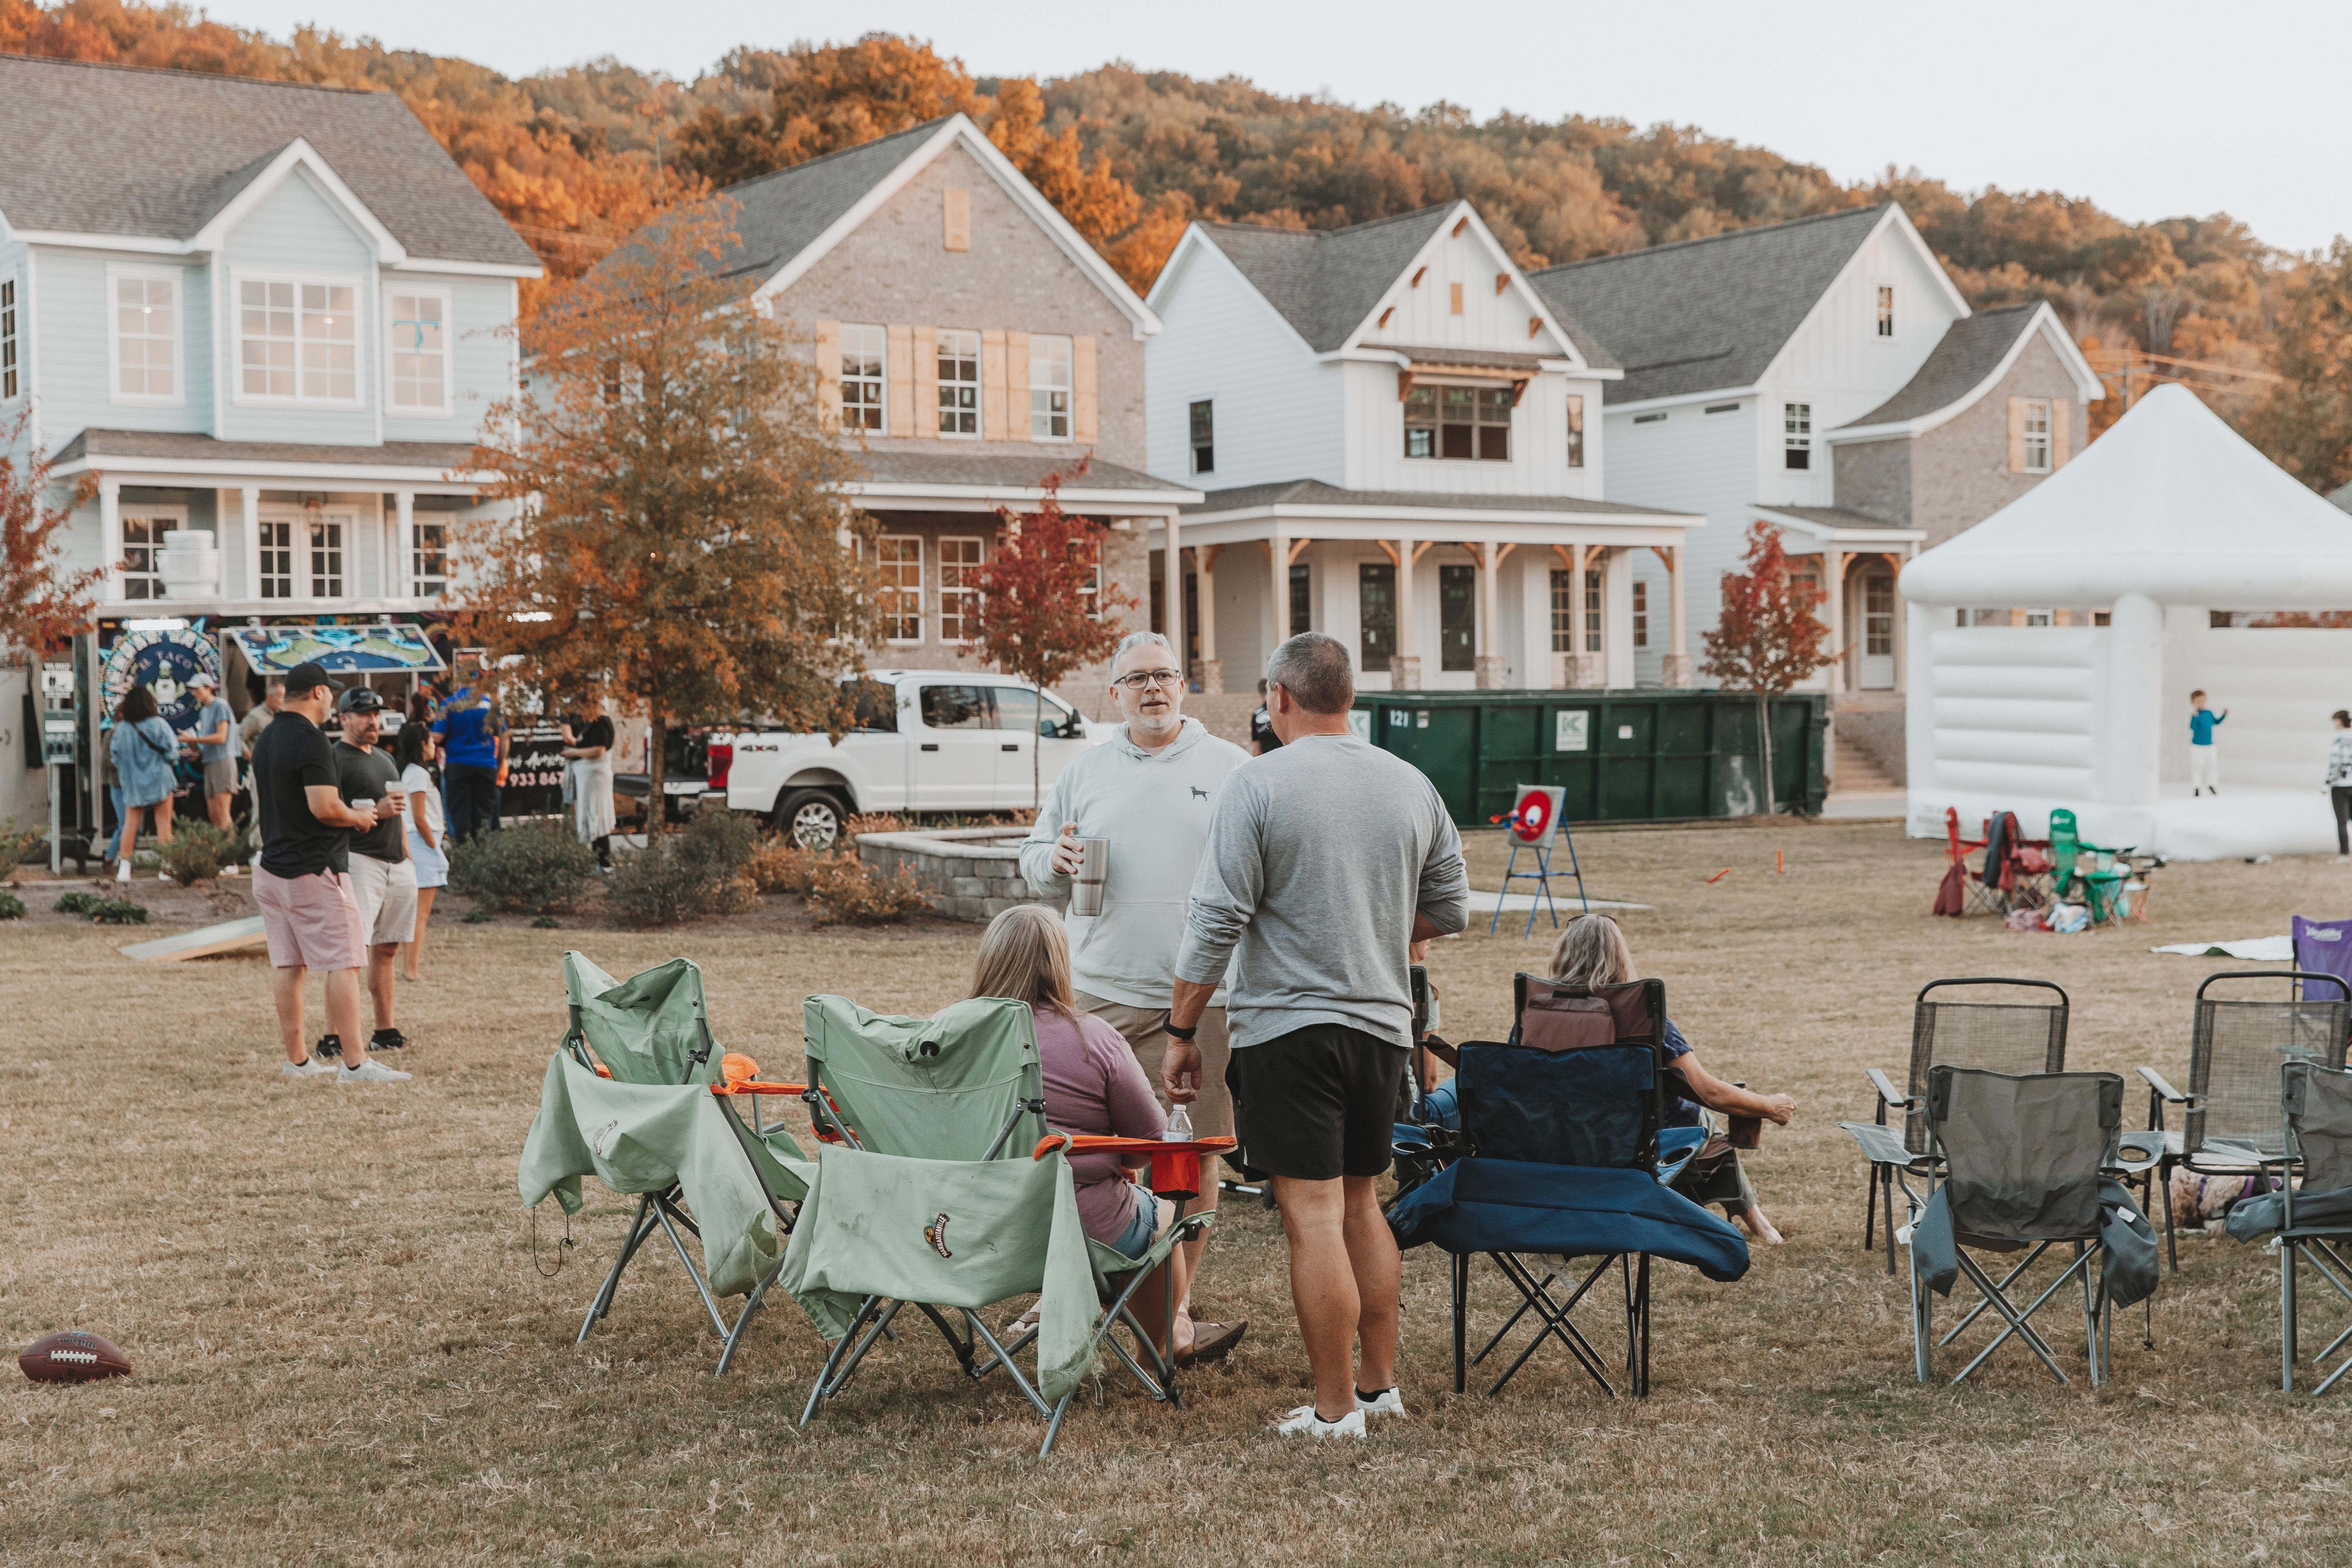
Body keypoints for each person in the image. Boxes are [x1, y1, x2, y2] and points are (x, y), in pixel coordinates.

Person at [1165, 631, 1469, 1438]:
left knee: (1312, 1213)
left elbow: (1216, 917)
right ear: (1350, 697)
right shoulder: (1410, 783)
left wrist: (1181, 1027)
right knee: (1362, 1201)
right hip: (1382, 1026)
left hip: (1287, 1029)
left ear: (1278, 696)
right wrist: (1370, 925)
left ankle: (1335, 1411)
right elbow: (1452, 905)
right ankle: (1377, 1387)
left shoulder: (1257, 782)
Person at [1018, 631, 1252, 1357]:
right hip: (1099, 993)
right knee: (1087, 1152)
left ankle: (1172, 1309)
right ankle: (1068, 1287)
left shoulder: (1231, 767)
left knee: (1193, 1152)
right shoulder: (1085, 770)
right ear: (1114, 693)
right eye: (1136, 678)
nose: (1152, 688)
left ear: (1183, 685)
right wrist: (1051, 859)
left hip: (1203, 995)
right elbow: (1032, 861)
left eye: (1163, 675)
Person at [962, 906, 1236, 1365]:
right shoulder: (1092, 1037)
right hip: (1078, 1227)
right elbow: (1148, 1143)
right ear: (1060, 964)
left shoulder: (947, 1034)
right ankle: (1163, 1344)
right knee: (1162, 1218)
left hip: (967, 1224)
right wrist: (1114, 1155)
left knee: (1126, 1212)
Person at [1422, 912, 1798, 1244]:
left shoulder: (1534, 1017)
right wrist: (1769, 1106)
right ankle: (1754, 1221)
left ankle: (1755, 1220)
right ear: (1620, 956)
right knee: (1703, 1118)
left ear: (1563, 953)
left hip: (1552, 1144)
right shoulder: (1643, 1018)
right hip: (1632, 1148)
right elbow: (1708, 1091)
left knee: (1699, 1118)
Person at [248, 662, 410, 1085]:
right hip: (315, 867)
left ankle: (298, 1061)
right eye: (330, 694)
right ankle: (355, 1064)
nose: (331, 702)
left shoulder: (267, 736)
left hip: (272, 867)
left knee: (290, 964)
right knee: (345, 961)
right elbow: (324, 807)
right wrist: (360, 817)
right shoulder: (311, 739)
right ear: (319, 692)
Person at [331, 687, 416, 1060]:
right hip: (359, 859)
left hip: (396, 862)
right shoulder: (334, 759)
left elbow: (399, 813)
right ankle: (333, 1036)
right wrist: (376, 813)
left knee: (388, 947)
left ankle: (385, 1030)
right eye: (364, 713)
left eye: (376, 713)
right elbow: (327, 814)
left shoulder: (385, 757)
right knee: (350, 951)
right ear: (343, 718)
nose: (373, 720)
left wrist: (408, 856)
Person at [109, 684, 178, 884]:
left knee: (130, 825)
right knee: (164, 824)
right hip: (160, 781)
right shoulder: (159, 724)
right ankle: (165, 868)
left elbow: (115, 758)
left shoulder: (121, 729)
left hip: (133, 783)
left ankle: (124, 869)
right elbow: (172, 753)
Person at [395, 721, 446, 980]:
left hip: (421, 842)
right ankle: (410, 970)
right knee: (420, 913)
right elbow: (419, 817)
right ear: (422, 745)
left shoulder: (413, 772)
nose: (434, 745)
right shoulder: (418, 774)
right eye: (431, 741)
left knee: (416, 911)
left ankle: (410, 968)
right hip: (423, 843)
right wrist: (435, 847)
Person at [433, 672, 506, 844]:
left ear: (459, 680)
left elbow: (437, 737)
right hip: (486, 765)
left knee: (461, 815)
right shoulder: (490, 705)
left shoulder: (449, 703)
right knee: (485, 817)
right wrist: (498, 764)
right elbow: (504, 737)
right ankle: (483, 854)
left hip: (458, 765)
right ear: (478, 680)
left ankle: (464, 853)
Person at [179, 670, 240, 844]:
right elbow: (207, 743)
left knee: (223, 812)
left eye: (197, 689)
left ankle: (231, 854)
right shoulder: (205, 711)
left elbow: (221, 737)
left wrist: (193, 740)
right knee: (213, 814)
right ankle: (220, 852)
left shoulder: (220, 705)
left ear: (209, 688)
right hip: (209, 762)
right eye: (193, 690)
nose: (194, 693)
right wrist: (194, 748)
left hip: (223, 761)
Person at [562, 691, 616, 869]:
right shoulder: (592, 722)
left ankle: (604, 863)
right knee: (593, 817)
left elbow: (598, 750)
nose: (579, 712)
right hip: (590, 776)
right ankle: (598, 862)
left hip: (596, 777)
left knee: (597, 817)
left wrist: (574, 752)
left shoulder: (601, 722)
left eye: (581, 708)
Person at [2189, 689, 2227, 796]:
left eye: (2202, 700)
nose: (2201, 703)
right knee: (2198, 766)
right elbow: (2193, 728)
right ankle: (2197, 787)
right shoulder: (2195, 716)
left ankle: (2211, 784)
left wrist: (2224, 715)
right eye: (2198, 701)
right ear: (2193, 703)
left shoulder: (2209, 713)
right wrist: (2195, 718)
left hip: (2209, 745)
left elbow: (2216, 722)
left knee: (2212, 765)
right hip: (2197, 746)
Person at [1249, 678, 1281, 756]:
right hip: (1285, 755)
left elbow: (1256, 748)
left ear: (1260, 695)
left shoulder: (1256, 715)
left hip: (1267, 757)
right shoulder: (1281, 708)